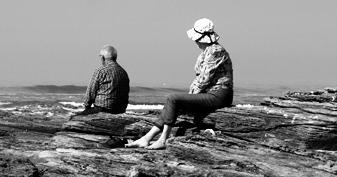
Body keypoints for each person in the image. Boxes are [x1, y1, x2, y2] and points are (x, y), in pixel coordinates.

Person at [125, 18, 233, 149]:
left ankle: (162, 140)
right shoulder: (208, 51)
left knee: (173, 98)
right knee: (172, 104)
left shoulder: (215, 51)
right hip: (212, 93)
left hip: (218, 95)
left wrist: (190, 97)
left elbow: (204, 79)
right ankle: (146, 138)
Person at [74, 45, 130, 115]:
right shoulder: (123, 72)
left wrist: (87, 106)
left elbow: (91, 91)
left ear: (102, 57)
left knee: (75, 117)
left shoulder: (101, 71)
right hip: (120, 110)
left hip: (103, 109)